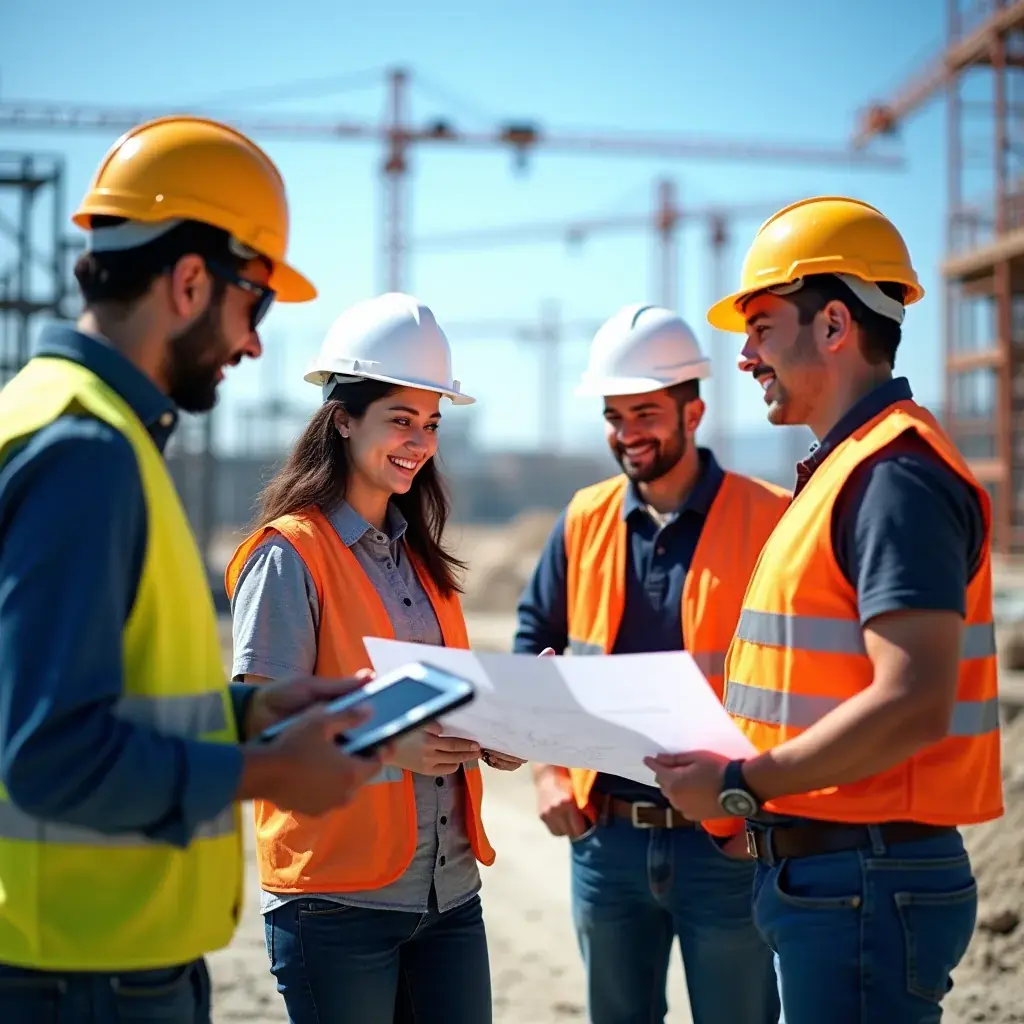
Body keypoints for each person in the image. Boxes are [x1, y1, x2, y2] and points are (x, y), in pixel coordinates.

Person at [0, 115, 383, 1024]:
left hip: (88, 965)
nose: (253, 343)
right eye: (256, 306)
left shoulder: (61, 420)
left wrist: (249, 711)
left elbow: (99, 695)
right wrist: (264, 772)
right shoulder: (84, 450)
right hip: (81, 975)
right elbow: (49, 753)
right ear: (188, 282)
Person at [645, 196, 1003, 1024]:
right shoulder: (846, 473)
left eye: (762, 327)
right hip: (836, 879)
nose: (744, 357)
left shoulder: (893, 477)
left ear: (834, 324)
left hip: (865, 882)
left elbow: (913, 701)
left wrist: (740, 785)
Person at [225, 291, 524, 1024]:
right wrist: (392, 747)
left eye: (431, 424)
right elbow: (259, 732)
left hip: (448, 896)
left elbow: (438, 701)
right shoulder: (289, 556)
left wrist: (503, 728)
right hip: (335, 906)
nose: (419, 442)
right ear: (342, 419)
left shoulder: (422, 562)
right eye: (400, 419)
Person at [513, 302, 787, 1024]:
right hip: (606, 840)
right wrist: (546, 772)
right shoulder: (583, 519)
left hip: (728, 842)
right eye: (614, 415)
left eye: (645, 412)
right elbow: (532, 645)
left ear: (693, 412)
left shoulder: (774, 519)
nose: (627, 433)